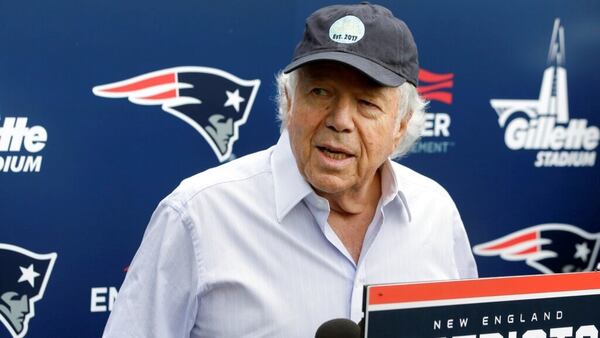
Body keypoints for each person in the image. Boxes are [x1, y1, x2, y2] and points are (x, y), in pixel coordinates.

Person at [103, 3, 478, 337]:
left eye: (366, 103)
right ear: (288, 99)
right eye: (320, 92)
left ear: (400, 125)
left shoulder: (435, 213)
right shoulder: (196, 216)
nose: (340, 120)